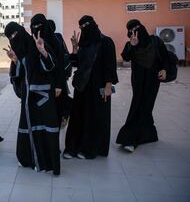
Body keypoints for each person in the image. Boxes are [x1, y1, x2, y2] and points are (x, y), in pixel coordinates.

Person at [4, 21, 61, 175]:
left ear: (22, 31)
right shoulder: (19, 51)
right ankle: (28, 159)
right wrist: (15, 60)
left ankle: (48, 162)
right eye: (10, 36)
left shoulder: (37, 43)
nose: (14, 38)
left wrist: (43, 51)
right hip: (28, 99)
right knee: (28, 127)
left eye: (15, 33)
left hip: (43, 97)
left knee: (45, 127)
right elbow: (20, 75)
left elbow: (51, 66)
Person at [63, 15, 118, 160]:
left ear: (94, 24)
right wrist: (75, 48)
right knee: (78, 117)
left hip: (98, 86)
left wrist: (108, 86)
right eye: (81, 26)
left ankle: (89, 149)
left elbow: (110, 66)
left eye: (86, 25)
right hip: (82, 87)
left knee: (94, 117)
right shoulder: (84, 43)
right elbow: (76, 64)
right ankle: (73, 147)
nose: (84, 29)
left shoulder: (105, 42)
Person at [116, 19, 169, 152]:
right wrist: (133, 45)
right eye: (131, 31)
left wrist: (164, 69)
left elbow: (165, 57)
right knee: (138, 106)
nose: (134, 32)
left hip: (153, 80)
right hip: (138, 81)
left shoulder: (156, 41)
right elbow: (126, 58)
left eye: (137, 28)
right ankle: (131, 139)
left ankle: (144, 136)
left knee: (147, 106)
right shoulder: (131, 44)